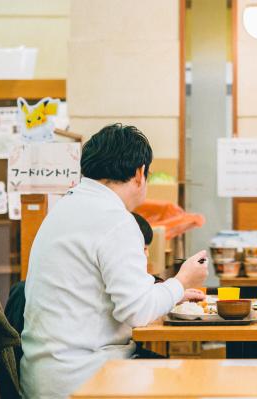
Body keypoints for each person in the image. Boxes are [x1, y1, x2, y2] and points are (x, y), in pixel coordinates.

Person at [21, 124, 208, 399]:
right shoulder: (114, 219)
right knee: (195, 384)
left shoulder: (67, 206)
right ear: (140, 173)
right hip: (85, 377)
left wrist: (169, 293)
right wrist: (181, 281)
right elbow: (137, 312)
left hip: (46, 374)